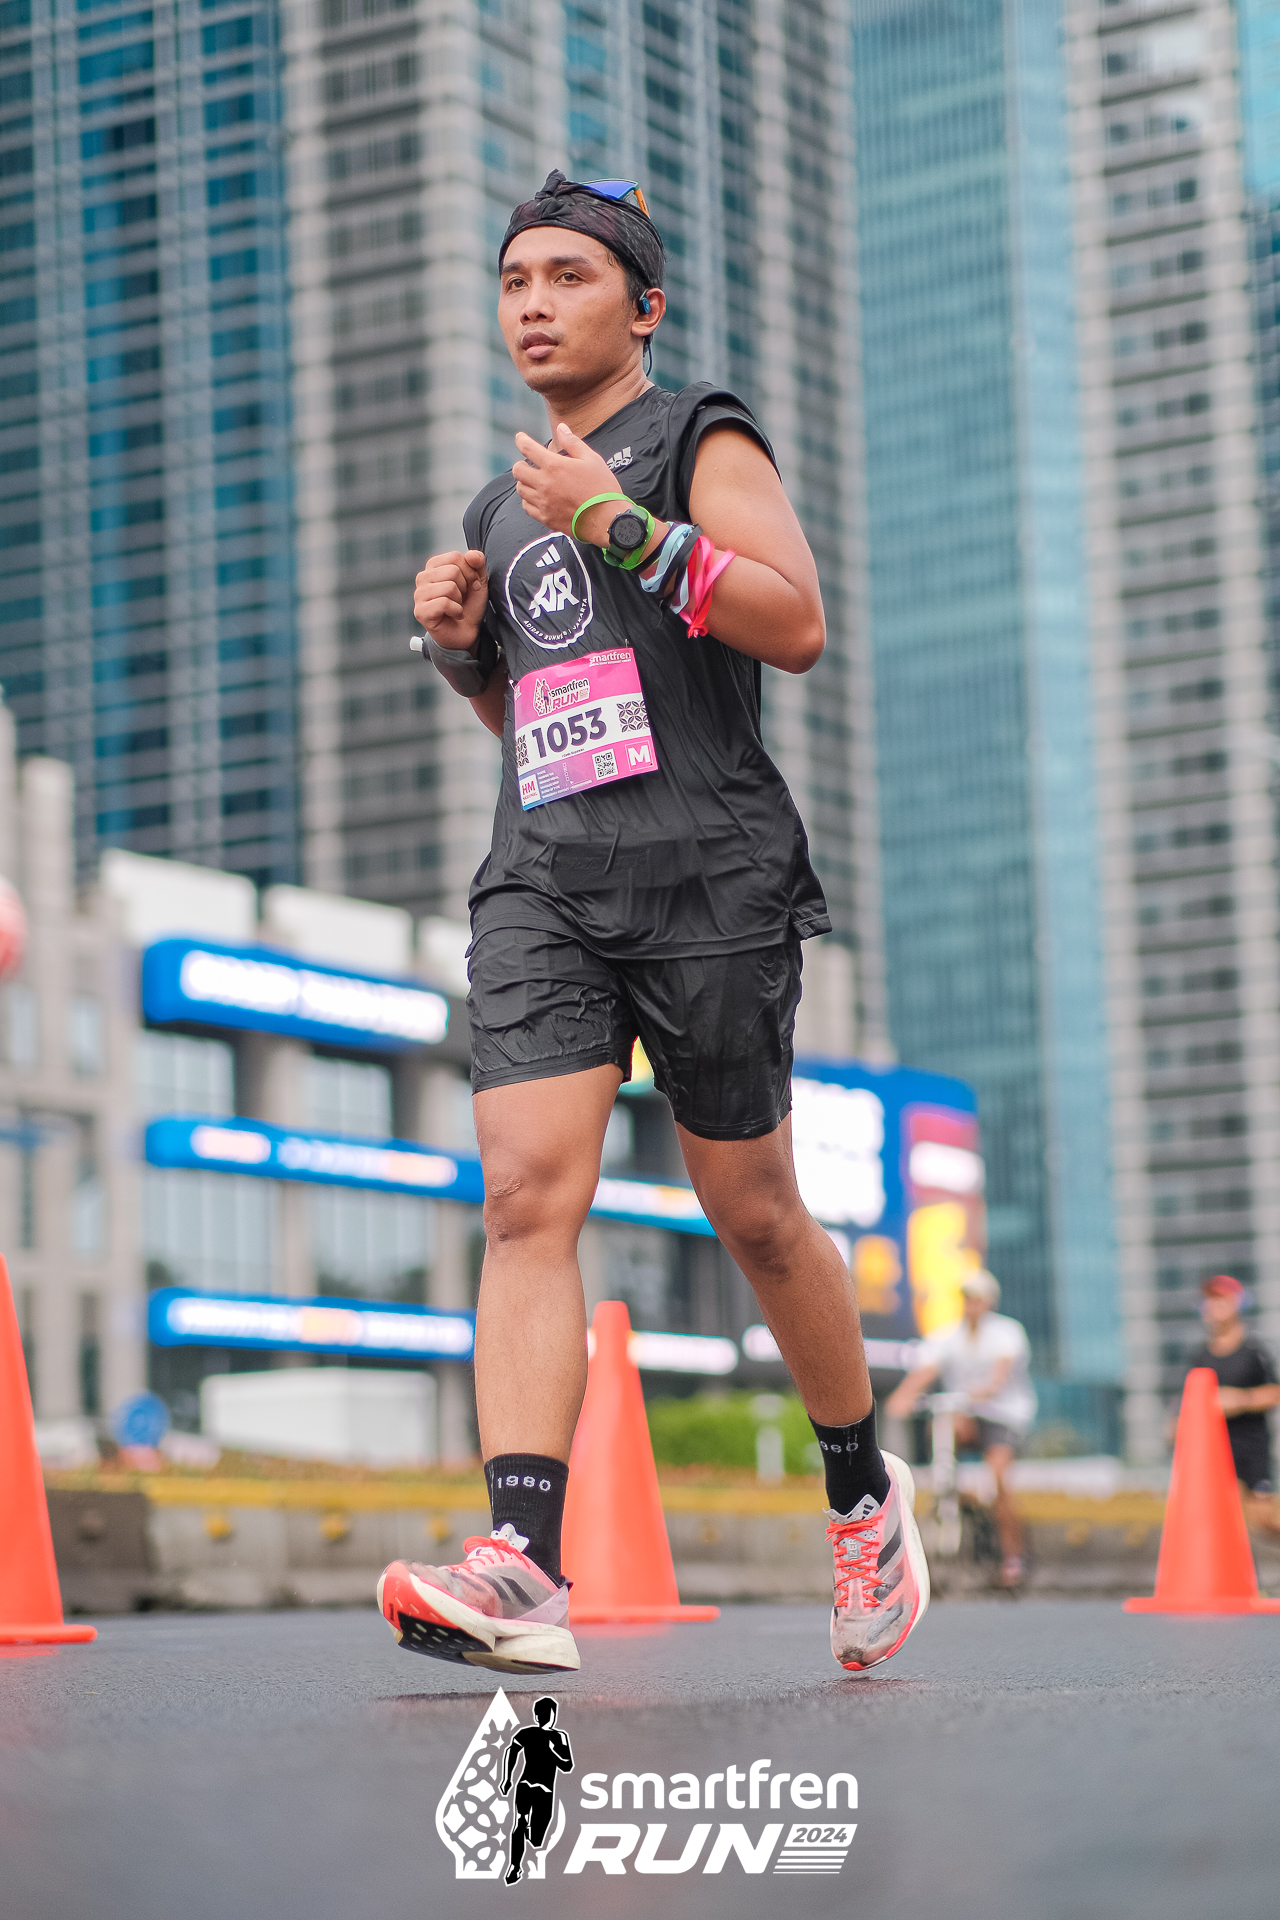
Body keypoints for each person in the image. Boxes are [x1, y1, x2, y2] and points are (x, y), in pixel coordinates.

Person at [374, 171, 928, 1677]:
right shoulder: (502, 504)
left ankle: (862, 1494)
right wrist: (457, 650)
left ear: (643, 305)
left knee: (752, 1210)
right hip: (545, 882)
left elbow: (792, 624)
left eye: (567, 276)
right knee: (520, 1197)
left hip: (707, 874)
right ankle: (521, 1564)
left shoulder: (696, 438)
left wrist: (616, 519)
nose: (533, 304)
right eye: (514, 281)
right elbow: (534, 717)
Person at [887, 1270, 1036, 1590]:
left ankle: (1013, 1557)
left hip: (1003, 1416)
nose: (972, 1304)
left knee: (999, 1478)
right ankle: (947, 1493)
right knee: (942, 1429)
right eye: (968, 1297)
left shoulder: (1006, 1332)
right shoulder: (948, 1336)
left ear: (990, 1301)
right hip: (966, 1413)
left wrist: (987, 1389)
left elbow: (1001, 1373)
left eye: (978, 1298)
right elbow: (925, 1370)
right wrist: (902, 1398)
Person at [1188, 1274, 1280, 1539]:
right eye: (1208, 1301)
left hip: (1252, 1447)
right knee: (1225, 1518)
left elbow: (1275, 1392)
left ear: (1236, 1305)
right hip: (1215, 1448)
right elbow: (1191, 1398)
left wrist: (1241, 1400)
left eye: (1219, 1301)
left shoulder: (1254, 1351)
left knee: (1264, 1518)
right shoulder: (1200, 1356)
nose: (1211, 1307)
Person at [500, 1696, 573, 1886]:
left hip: (543, 1790)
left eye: (547, 1713)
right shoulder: (527, 1733)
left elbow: (567, 1766)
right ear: (537, 1715)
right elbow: (511, 1751)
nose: (545, 1717)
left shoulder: (559, 1737)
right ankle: (515, 1866)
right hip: (528, 1785)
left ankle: (527, 1835)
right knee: (520, 1821)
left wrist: (551, 1752)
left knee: (536, 1839)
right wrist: (507, 1778)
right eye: (542, 1713)